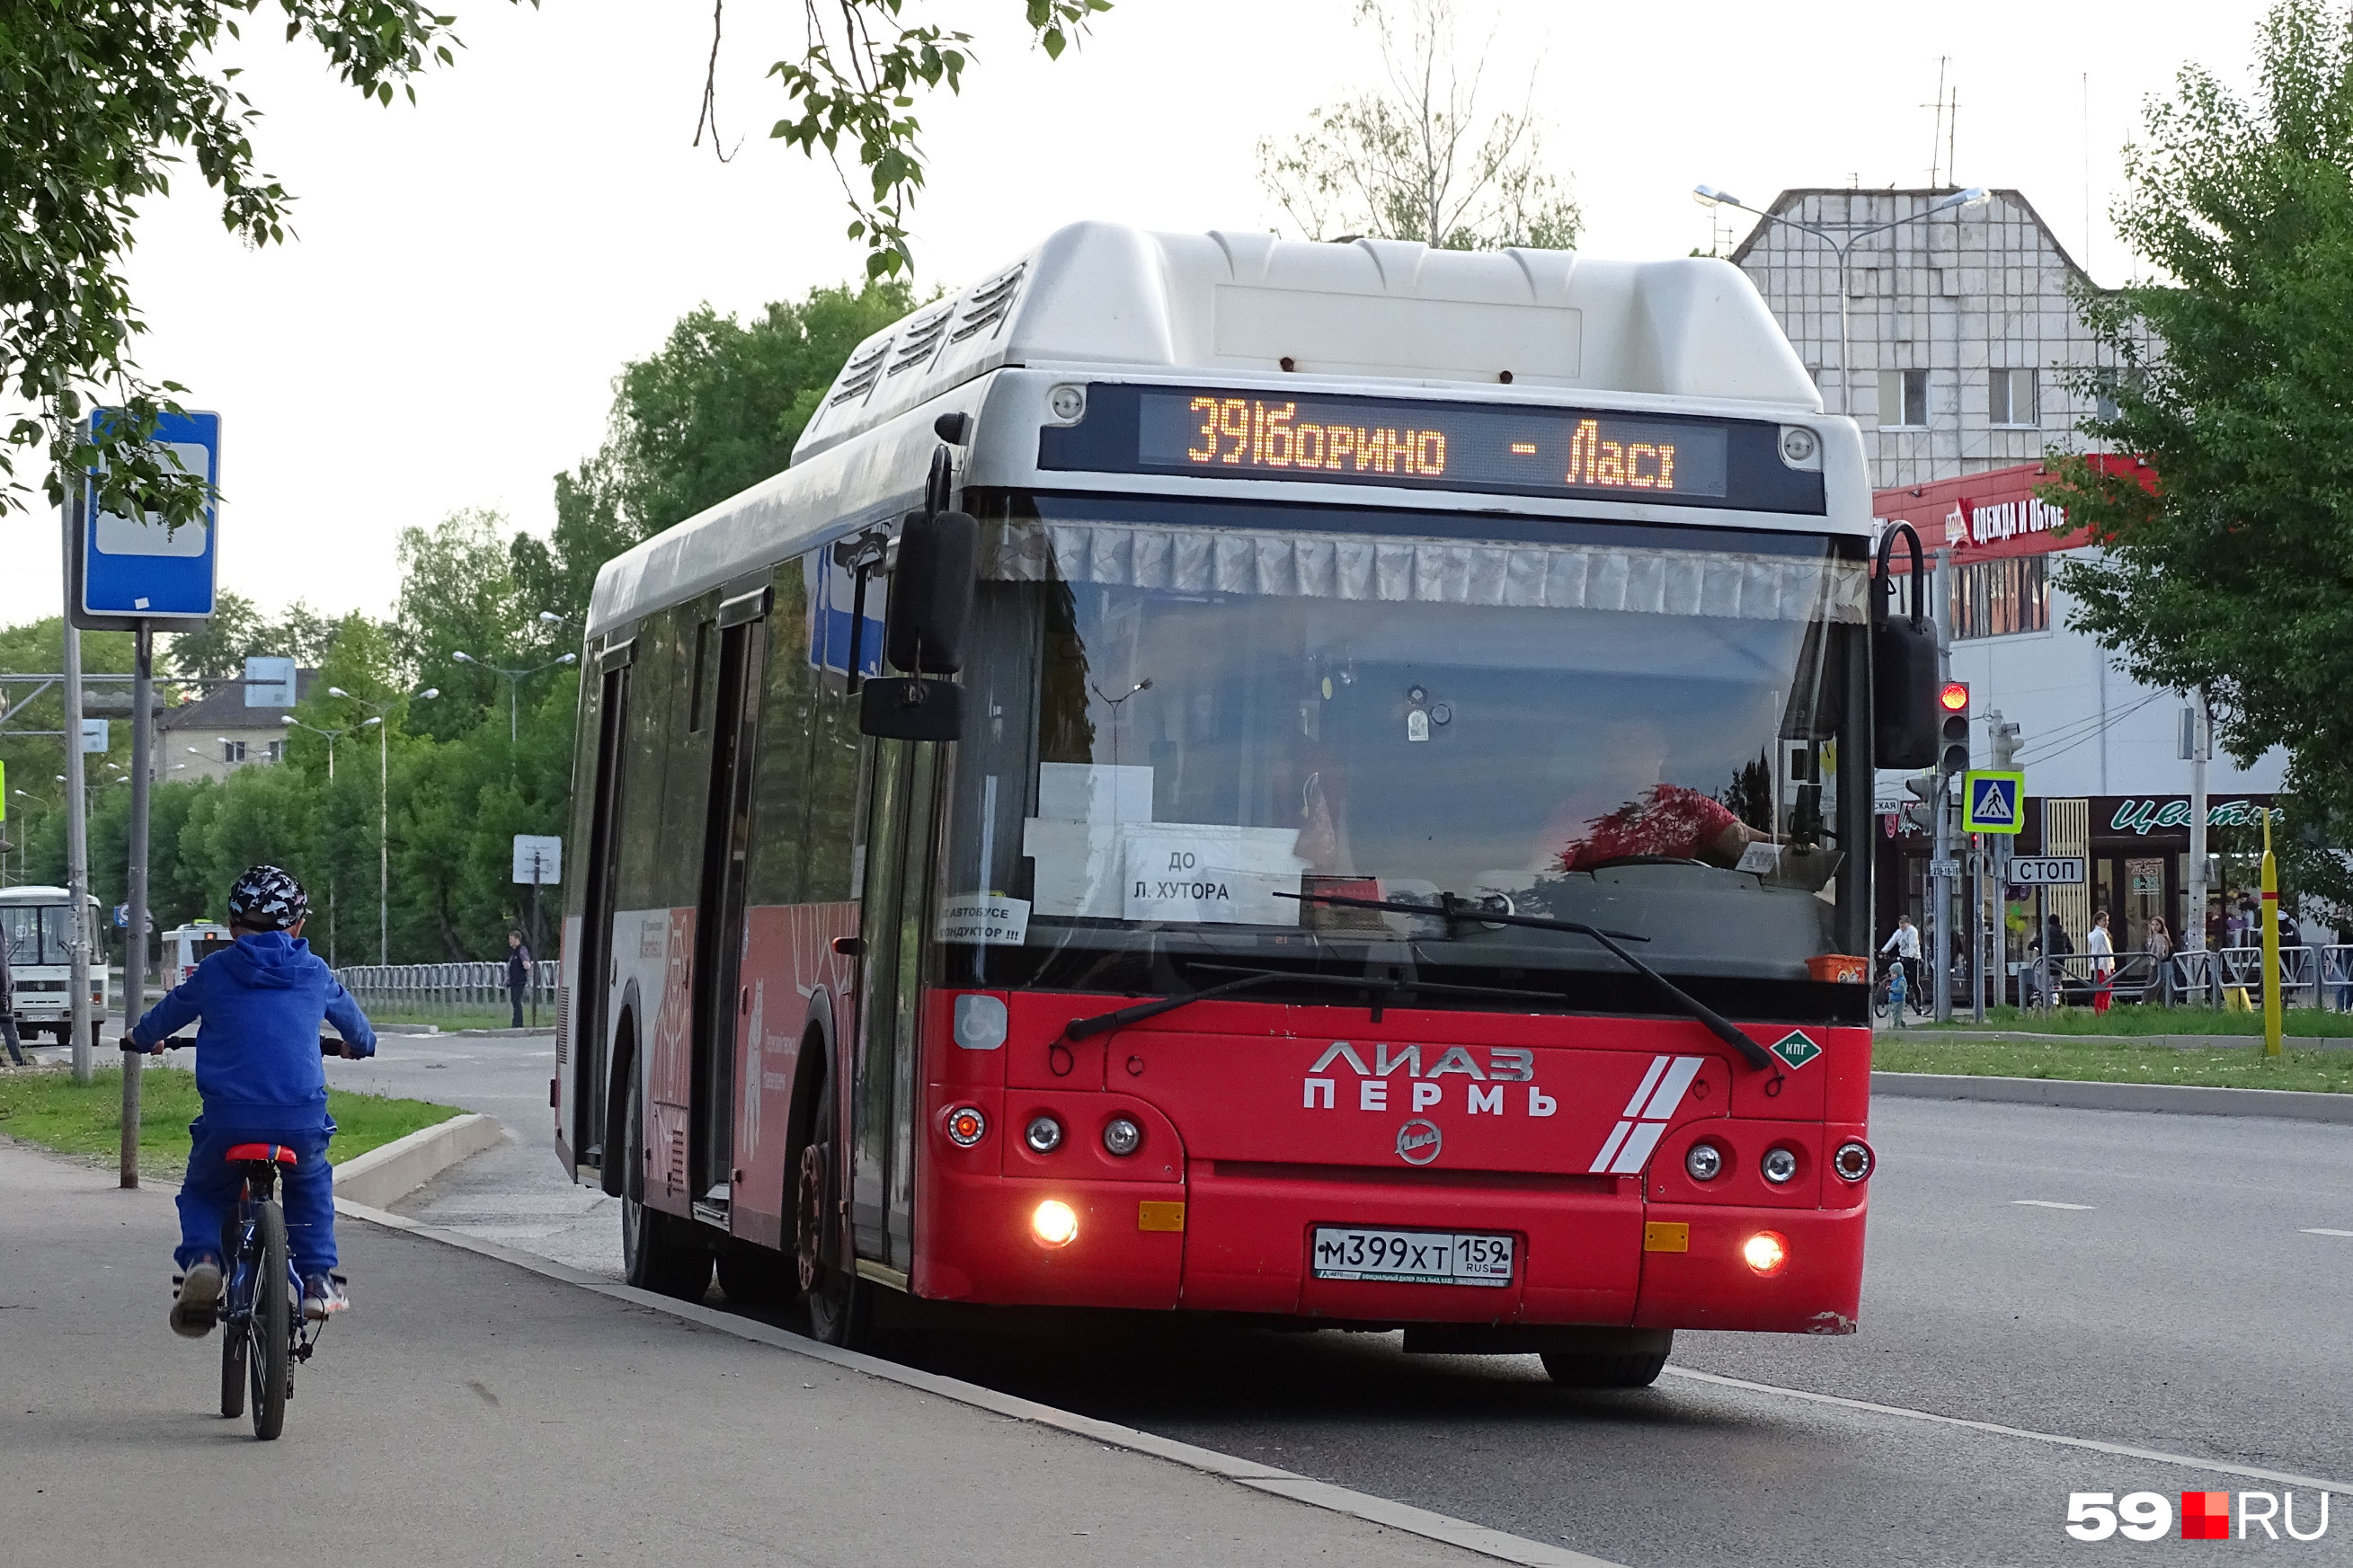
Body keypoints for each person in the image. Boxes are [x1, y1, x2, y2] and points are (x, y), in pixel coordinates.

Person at [122, 865, 377, 1336]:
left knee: (204, 1191)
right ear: (298, 925)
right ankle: (318, 1278)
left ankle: (202, 1259)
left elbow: (163, 1018)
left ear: (233, 925)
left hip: (230, 1120)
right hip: (300, 1118)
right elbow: (362, 1034)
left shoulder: (215, 971)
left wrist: (141, 1038)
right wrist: (355, 1046)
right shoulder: (314, 972)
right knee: (311, 1183)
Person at [1537, 717, 1771, 873]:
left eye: (1638, 746)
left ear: (1660, 754)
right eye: (1616, 746)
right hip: (1600, 927)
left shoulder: (1687, 805)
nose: (1625, 756)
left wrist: (1797, 848)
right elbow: (1543, 869)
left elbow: (1748, 844)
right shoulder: (1579, 812)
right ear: (1605, 757)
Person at [1878, 915, 1923, 1015]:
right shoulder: (1899, 932)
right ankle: (1901, 1000)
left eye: (1903, 923)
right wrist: (1883, 951)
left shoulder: (1912, 931)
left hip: (1913, 958)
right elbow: (1892, 941)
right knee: (1900, 978)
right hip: (1903, 957)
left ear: (1908, 923)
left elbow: (1913, 944)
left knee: (1914, 982)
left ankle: (1920, 1006)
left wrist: (1910, 956)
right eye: (1900, 924)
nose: (1901, 926)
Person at [0, 919, 27, 1067]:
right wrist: (4, 998)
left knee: (8, 1029)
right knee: (9, 1029)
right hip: (2, 999)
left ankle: (17, 1060)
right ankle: (18, 1061)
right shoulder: (1, 957)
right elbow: (3, 974)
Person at [2086, 908, 2116, 1014]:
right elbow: (2101, 954)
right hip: (2103, 967)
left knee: (2104, 991)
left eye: (2107, 920)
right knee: (2104, 992)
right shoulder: (2100, 935)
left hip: (2102, 966)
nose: (2107, 923)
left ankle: (2102, 1011)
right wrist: (2107, 970)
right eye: (2104, 920)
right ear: (2098, 921)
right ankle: (2101, 1011)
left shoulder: (2100, 934)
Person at [504, 930, 533, 1029]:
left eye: (511, 939)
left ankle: (518, 1023)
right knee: (514, 1001)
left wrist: (526, 966)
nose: (510, 941)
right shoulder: (514, 952)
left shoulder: (521, 950)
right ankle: (516, 1022)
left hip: (519, 981)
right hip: (514, 981)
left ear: (517, 939)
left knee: (517, 1001)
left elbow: (526, 964)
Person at [2146, 916, 2174, 1006]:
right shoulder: (2153, 937)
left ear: (2161, 926)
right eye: (2153, 925)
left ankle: (2146, 1004)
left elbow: (2161, 952)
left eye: (2157, 925)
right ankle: (2161, 1005)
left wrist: (2155, 962)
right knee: (2160, 988)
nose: (2154, 927)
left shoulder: (2159, 937)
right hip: (2160, 965)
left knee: (2150, 986)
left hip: (2158, 965)